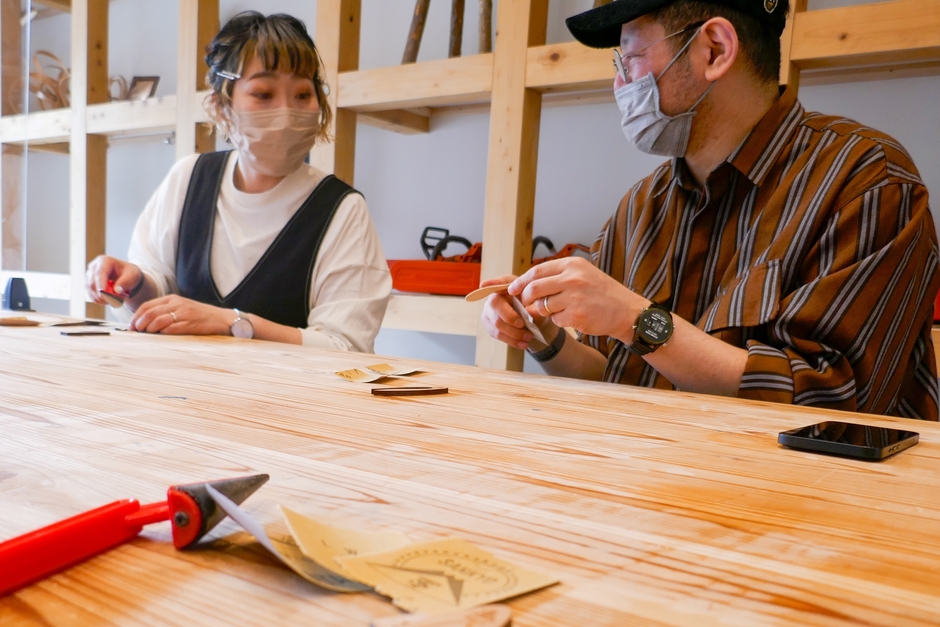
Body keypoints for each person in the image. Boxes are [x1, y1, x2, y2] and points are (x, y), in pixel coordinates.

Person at [481, 0, 940, 420]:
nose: (620, 84)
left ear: (715, 50)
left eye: (631, 58)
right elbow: (620, 381)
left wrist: (636, 319)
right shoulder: (641, 206)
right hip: (671, 488)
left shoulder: (866, 181)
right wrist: (546, 336)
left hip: (830, 501)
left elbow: (833, 403)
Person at [85, 11, 391, 352]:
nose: (287, 111)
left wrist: (233, 323)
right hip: (182, 392)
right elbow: (156, 299)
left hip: (288, 401)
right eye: (263, 94)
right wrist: (135, 283)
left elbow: (345, 347)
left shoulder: (341, 209)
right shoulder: (188, 180)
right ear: (221, 106)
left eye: (303, 95)